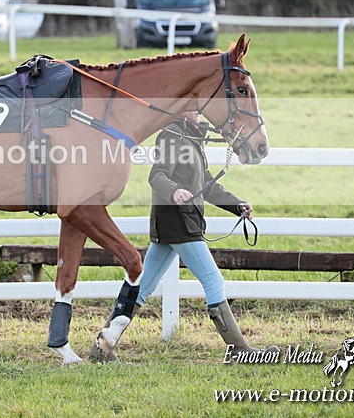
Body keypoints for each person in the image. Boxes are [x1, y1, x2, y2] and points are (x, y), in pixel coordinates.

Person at [90, 111, 278, 361]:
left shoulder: (190, 136)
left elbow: (206, 183)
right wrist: (174, 191)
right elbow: (157, 175)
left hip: (178, 224)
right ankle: (239, 350)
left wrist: (236, 205)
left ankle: (101, 349)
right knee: (213, 280)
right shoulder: (172, 135)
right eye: (193, 105)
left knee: (142, 287)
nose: (198, 110)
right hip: (179, 224)